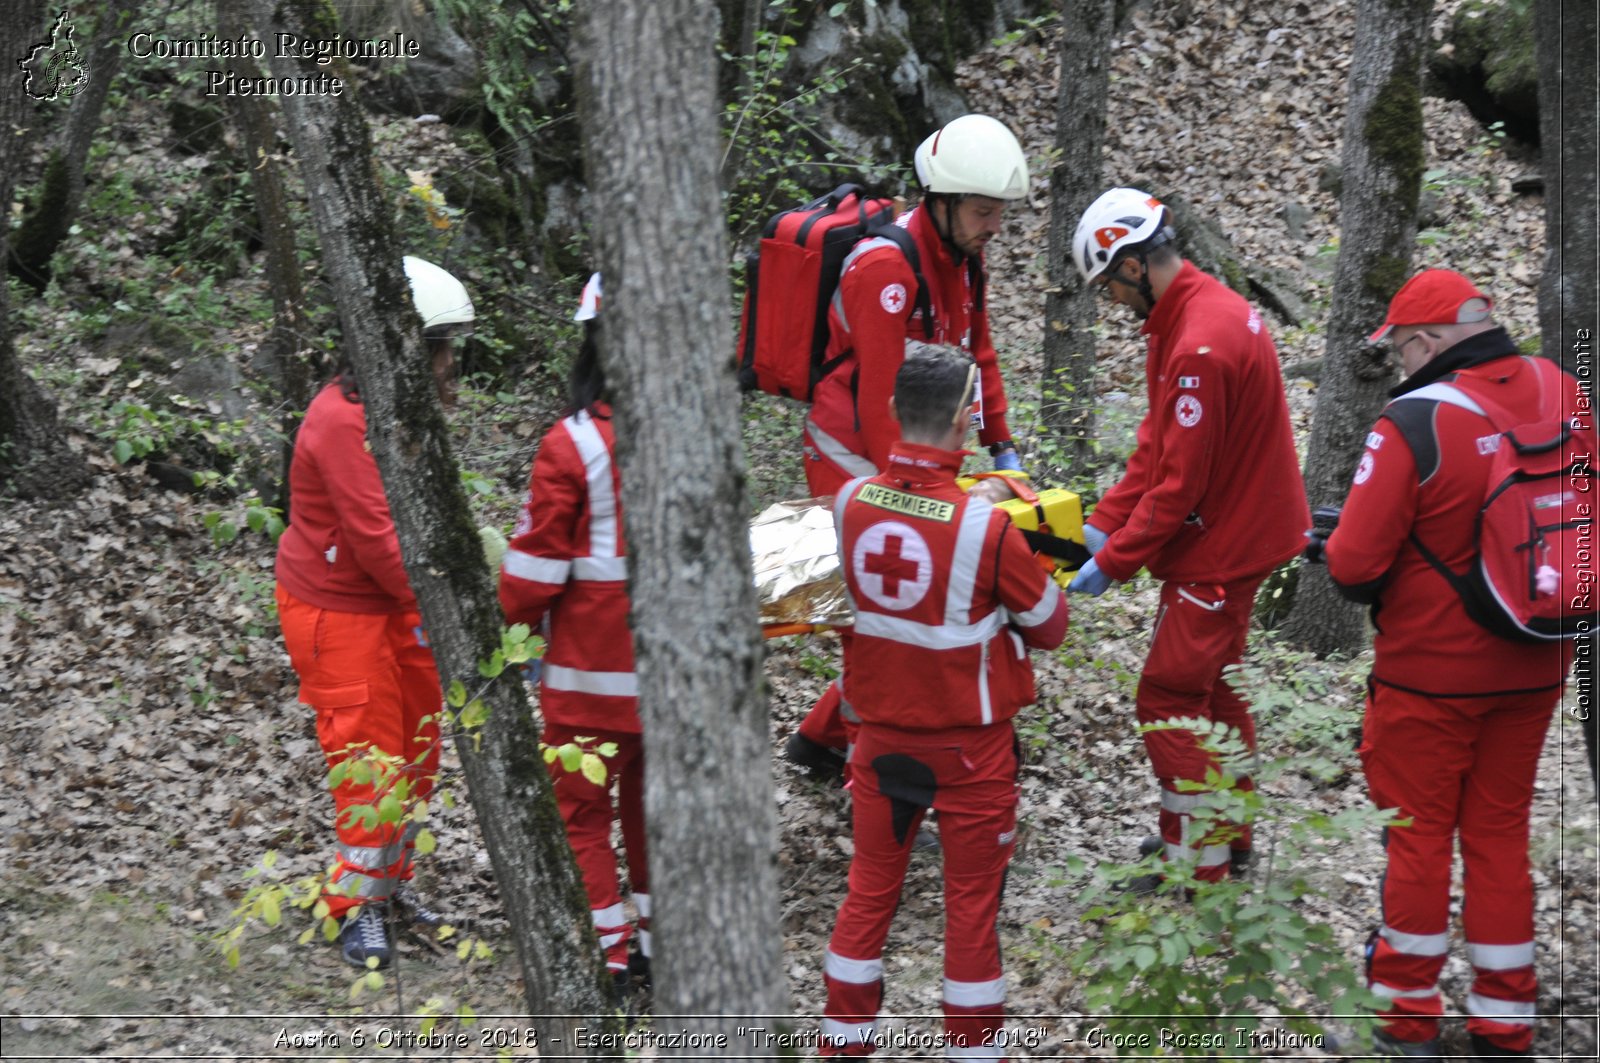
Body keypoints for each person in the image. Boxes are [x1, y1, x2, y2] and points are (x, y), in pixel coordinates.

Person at [1316, 269, 1587, 1059]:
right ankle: (1506, 1021)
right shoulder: (1565, 392)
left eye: (1401, 348)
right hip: (1538, 655)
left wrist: (1339, 543)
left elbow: (1356, 567)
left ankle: (1405, 1020)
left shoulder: (1413, 421)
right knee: (1500, 833)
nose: (1399, 363)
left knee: (1419, 836)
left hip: (1429, 674)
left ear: (1428, 342)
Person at [820, 342, 1069, 1058]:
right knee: (969, 912)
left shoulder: (846, 503)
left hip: (876, 742)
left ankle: (841, 1046)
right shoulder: (986, 529)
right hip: (972, 754)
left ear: (895, 411)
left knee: (867, 894)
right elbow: (1050, 626)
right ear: (967, 421)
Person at [1065, 187, 1309, 887]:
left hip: (1225, 548)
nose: (1111, 300)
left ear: (1135, 266)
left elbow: (1179, 485)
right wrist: (1106, 520)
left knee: (1168, 697)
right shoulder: (1198, 313)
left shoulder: (1199, 342)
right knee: (1219, 690)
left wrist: (1114, 559)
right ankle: (1230, 838)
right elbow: (1158, 444)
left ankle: (1194, 869)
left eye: (1109, 284)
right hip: (1247, 530)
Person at [788, 113, 1034, 777]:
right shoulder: (884, 269)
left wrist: (1001, 441)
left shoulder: (962, 261)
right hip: (851, 451)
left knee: (902, 606)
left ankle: (819, 739)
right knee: (885, 617)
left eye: (999, 212)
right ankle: (878, 766)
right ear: (943, 201)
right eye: (985, 212)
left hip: (913, 445)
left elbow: (975, 353)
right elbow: (877, 397)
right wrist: (923, 491)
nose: (995, 227)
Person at [274, 255, 474, 968]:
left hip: (397, 604)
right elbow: (384, 543)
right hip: (339, 611)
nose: (453, 363)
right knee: (370, 763)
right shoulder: (343, 420)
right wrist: (465, 609)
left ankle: (387, 888)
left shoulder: (398, 410)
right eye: (442, 346)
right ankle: (353, 906)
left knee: (417, 750)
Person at [498, 274, 650, 993]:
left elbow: (532, 570)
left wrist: (507, 632)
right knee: (654, 811)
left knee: (581, 814)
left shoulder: (575, 443)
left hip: (589, 679)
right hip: (675, 680)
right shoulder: (693, 435)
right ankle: (658, 942)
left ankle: (607, 954)